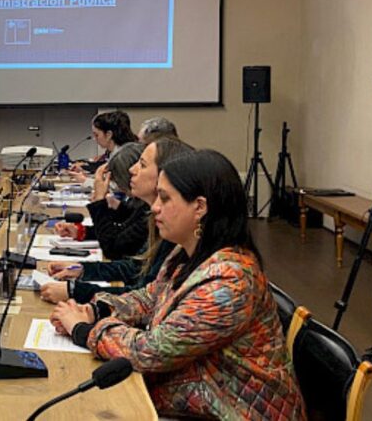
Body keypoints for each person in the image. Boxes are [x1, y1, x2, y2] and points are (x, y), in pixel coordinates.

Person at [49, 150, 305, 420]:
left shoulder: (229, 283)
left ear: (200, 207)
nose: (155, 207)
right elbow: (149, 299)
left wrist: (82, 329)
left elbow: (150, 351)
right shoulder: (188, 254)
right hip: (199, 403)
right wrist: (97, 309)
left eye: (165, 198)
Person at [42, 138, 193, 304]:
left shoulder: (175, 233)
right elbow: (135, 267)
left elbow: (145, 299)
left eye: (142, 165)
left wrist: (76, 292)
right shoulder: (157, 218)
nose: (132, 170)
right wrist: (82, 270)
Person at [53, 143, 147, 260]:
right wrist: (81, 231)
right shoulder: (142, 205)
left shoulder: (150, 211)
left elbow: (112, 249)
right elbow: (123, 233)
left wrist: (99, 202)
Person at [67, 111, 137, 182]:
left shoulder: (122, 156)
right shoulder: (112, 153)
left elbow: (115, 187)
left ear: (108, 135)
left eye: (96, 135)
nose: (94, 139)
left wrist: (85, 181)